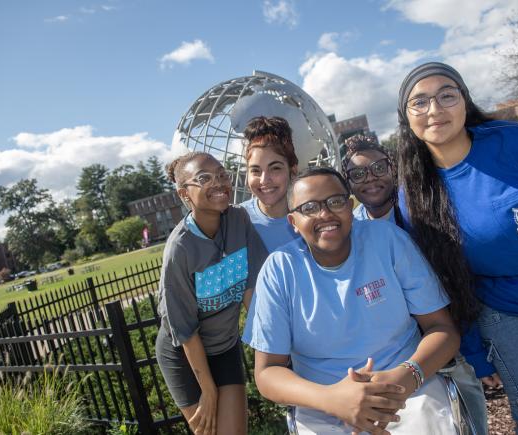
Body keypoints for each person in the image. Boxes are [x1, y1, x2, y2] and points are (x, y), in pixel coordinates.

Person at [396, 61, 518, 435]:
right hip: (502, 312)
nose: (435, 110)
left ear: (465, 100)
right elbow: (445, 279)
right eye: (420, 102)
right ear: (406, 118)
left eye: (447, 95)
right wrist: (475, 351)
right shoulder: (413, 195)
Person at [244, 166, 461, 435]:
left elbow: (443, 330)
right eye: (309, 207)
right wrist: (332, 399)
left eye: (335, 202)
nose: (325, 214)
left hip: (408, 390)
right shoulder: (279, 270)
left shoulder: (388, 240)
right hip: (322, 405)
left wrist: (406, 377)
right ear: (293, 222)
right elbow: (267, 373)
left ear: (350, 206)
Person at [342, 134, 489, 435]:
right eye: (358, 173)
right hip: (398, 350)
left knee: (469, 420)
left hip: (446, 337)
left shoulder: (421, 213)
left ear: (393, 168)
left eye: (378, 168)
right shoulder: (353, 230)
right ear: (349, 184)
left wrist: (476, 358)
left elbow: (456, 280)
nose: (370, 178)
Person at [155, 152, 267, 435]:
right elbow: (185, 330)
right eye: (204, 178)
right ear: (184, 194)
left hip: (224, 347)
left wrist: (270, 352)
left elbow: (252, 294)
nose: (218, 182)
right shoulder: (179, 249)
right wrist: (209, 391)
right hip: (185, 355)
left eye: (221, 175)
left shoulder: (238, 220)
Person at [241, 116, 300, 252]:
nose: (264, 180)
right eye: (255, 170)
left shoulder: (312, 218)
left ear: (293, 170)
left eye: (275, 168)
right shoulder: (237, 222)